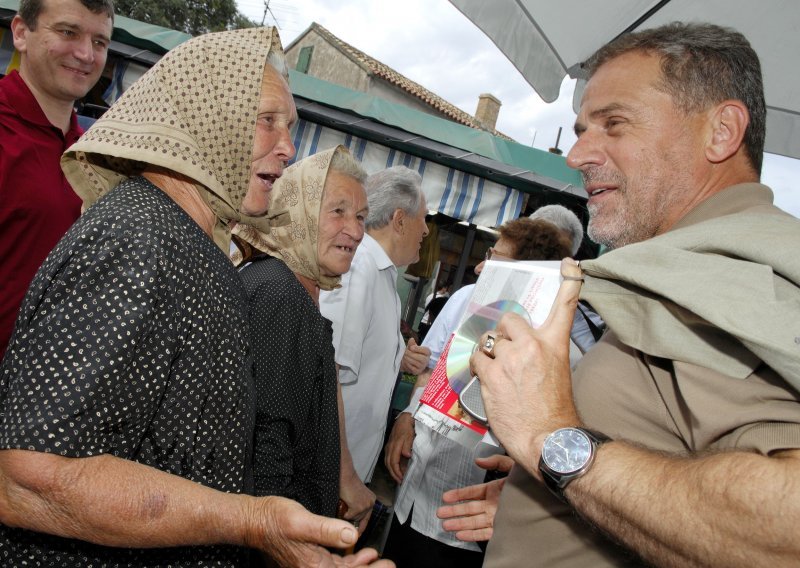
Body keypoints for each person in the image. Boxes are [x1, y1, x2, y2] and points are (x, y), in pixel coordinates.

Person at [0, 28, 389, 567]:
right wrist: (253, 522)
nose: (288, 147)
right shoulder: (136, 239)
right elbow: (30, 479)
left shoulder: (187, 244)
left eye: (291, 127)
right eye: (267, 120)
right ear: (204, 116)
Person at [449, 22, 800, 568]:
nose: (578, 154)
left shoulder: (729, 269)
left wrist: (554, 444)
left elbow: (785, 532)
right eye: (583, 127)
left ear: (721, 131)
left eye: (614, 123)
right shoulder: (689, 266)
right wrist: (565, 506)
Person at [381, 218, 572, 568]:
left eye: (495, 258)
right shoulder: (466, 298)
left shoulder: (550, 341)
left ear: (529, 274)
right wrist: (407, 417)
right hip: (412, 490)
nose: (481, 265)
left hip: (467, 515)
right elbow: (433, 364)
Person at [233, 146, 375, 530]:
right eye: (338, 211)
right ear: (299, 210)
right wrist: (279, 538)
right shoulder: (282, 294)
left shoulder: (281, 283)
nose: (356, 231)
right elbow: (268, 440)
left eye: (361, 217)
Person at [0, 0, 114, 359]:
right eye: (68, 32)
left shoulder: (96, 154)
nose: (85, 54)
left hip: (50, 394)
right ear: (21, 32)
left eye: (99, 42)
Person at [319, 166, 431, 486]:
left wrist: (399, 356)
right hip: (330, 475)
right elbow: (329, 374)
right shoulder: (359, 267)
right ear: (399, 219)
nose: (426, 230)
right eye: (423, 217)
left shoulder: (382, 274)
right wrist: (344, 477)